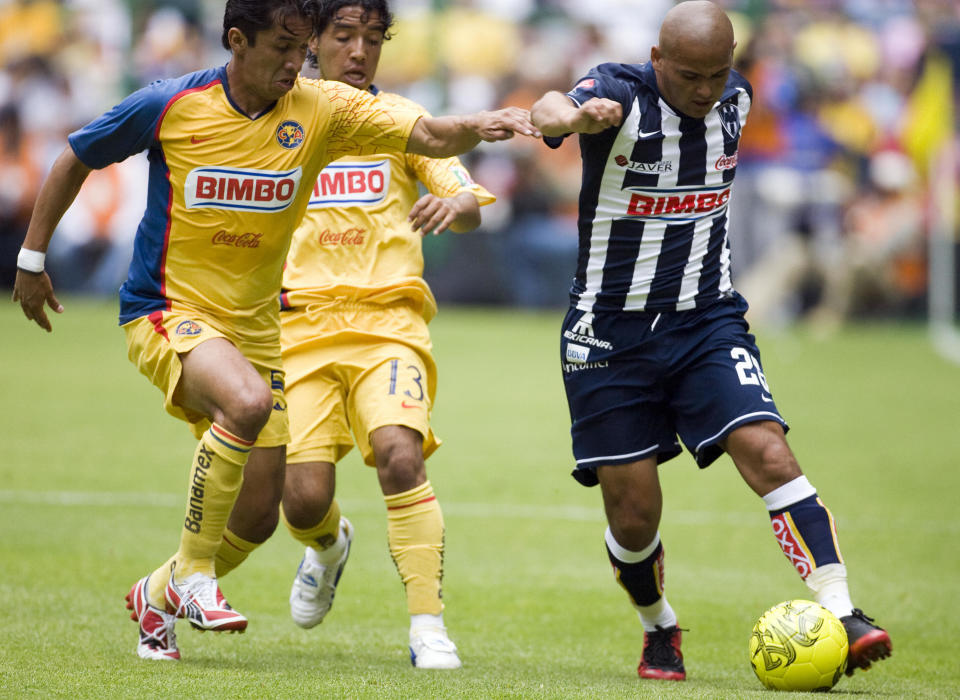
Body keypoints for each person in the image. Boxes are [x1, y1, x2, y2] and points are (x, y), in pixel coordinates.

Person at [11, 0, 537, 662]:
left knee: (263, 515)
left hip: (281, 328)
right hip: (173, 308)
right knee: (250, 404)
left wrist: (484, 125)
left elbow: (432, 137)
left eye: (303, 50)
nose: (298, 63)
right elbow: (77, 155)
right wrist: (31, 260)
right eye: (289, 48)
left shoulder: (327, 111)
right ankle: (198, 575)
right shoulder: (171, 104)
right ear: (238, 40)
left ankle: (158, 593)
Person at [530, 0, 891, 682]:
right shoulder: (615, 92)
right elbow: (550, 108)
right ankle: (658, 624)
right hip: (608, 330)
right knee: (634, 517)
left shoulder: (738, 99)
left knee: (770, 451)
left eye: (717, 74)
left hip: (706, 320)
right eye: (690, 75)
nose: (705, 90)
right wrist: (572, 118)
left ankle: (844, 613)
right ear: (657, 61)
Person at [275, 0, 491, 669]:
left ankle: (428, 625)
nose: (360, 51)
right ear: (313, 40)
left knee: (401, 453)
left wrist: (456, 204)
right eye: (345, 36)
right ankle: (328, 546)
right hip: (299, 329)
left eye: (372, 38)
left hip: (388, 327)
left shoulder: (400, 123)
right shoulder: (278, 120)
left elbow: (464, 198)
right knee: (302, 499)